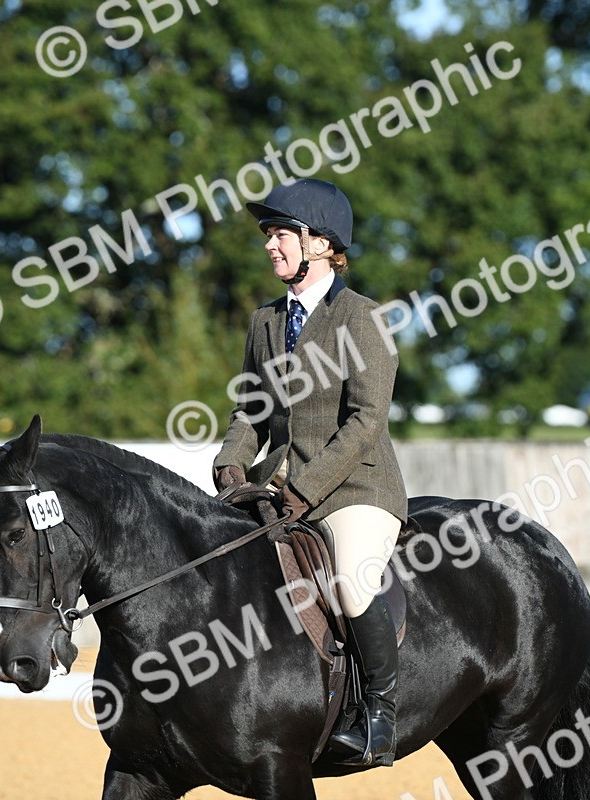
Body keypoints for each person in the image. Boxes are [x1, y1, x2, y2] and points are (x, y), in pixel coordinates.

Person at [212, 178, 408, 767]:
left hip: (355, 488)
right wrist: (231, 460)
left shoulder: (362, 318)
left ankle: (379, 713)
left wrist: (304, 486)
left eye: (281, 235)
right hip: (279, 486)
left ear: (320, 244)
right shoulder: (265, 322)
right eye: (268, 236)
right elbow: (251, 410)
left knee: (350, 576)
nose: (271, 246)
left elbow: (366, 419)